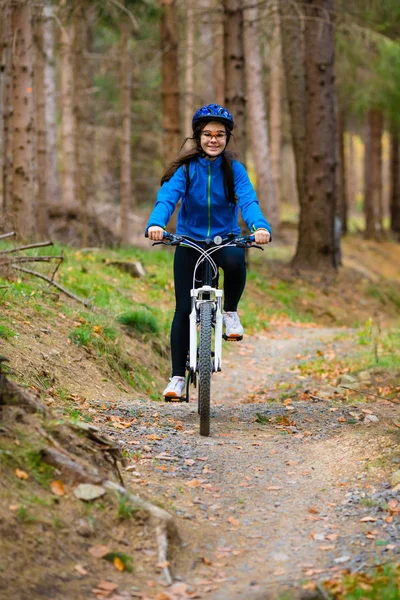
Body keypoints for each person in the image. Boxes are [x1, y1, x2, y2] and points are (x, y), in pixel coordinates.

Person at [146, 103, 272, 399]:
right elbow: (167, 199)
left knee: (236, 259)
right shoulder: (186, 170)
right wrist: (156, 223)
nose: (213, 139)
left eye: (219, 134)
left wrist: (259, 227)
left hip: (223, 240)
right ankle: (177, 378)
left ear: (227, 138)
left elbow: (248, 201)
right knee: (181, 310)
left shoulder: (234, 170)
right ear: (198, 137)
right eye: (207, 134)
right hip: (189, 241)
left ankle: (230, 312)